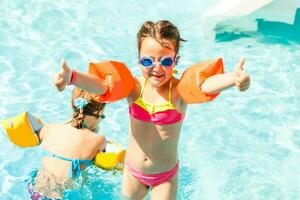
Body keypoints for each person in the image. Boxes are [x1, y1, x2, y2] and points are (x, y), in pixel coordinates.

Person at [54, 20, 250, 200]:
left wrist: (233, 79)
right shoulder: (134, 88)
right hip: (133, 172)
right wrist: (73, 77)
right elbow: (104, 85)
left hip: (164, 178)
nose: (157, 68)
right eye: (148, 61)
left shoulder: (179, 92)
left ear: (176, 60)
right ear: (139, 60)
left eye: (165, 61)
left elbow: (205, 85)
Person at [28, 87, 106, 199]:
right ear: (97, 113)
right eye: (102, 116)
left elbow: (34, 129)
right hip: (60, 196)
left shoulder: (50, 128)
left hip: (35, 190)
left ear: (72, 106)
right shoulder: (99, 140)